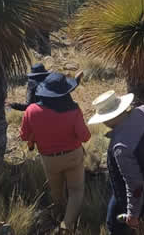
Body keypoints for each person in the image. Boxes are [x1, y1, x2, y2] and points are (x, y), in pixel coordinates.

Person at [88, 90, 144, 235]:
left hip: (139, 194)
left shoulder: (120, 147)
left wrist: (132, 214)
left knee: (114, 224)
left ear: (107, 119)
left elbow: (136, 186)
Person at [19, 73, 91, 233]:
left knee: (57, 193)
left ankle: (59, 215)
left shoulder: (32, 110)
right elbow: (85, 137)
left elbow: (24, 135)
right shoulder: (73, 110)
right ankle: (67, 225)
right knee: (76, 191)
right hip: (73, 156)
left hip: (49, 159)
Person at [10, 63, 83, 111]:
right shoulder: (50, 81)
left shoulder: (32, 85)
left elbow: (28, 106)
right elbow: (65, 89)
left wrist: (13, 105)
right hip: (60, 112)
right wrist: (76, 80)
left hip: (41, 114)